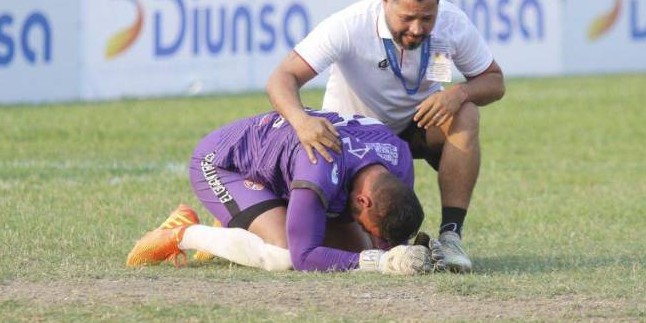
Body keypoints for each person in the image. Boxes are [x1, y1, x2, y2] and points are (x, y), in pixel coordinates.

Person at [266, 0, 506, 273]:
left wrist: (458, 93)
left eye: (426, 18)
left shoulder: (452, 23)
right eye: (407, 18)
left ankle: (450, 238)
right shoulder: (350, 25)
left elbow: (494, 81)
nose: (417, 28)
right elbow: (282, 77)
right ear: (385, 1)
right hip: (355, 141)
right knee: (346, 247)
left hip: (416, 123)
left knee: (466, 113)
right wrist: (302, 122)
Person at [126, 110, 438, 275]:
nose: (380, 240)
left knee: (356, 251)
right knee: (283, 254)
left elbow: (382, 236)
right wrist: (381, 263)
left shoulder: (399, 158)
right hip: (225, 163)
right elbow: (304, 258)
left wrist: (401, 251)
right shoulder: (320, 165)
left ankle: (240, 219)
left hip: (283, 170)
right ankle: (182, 233)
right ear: (363, 200)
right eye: (371, 226)